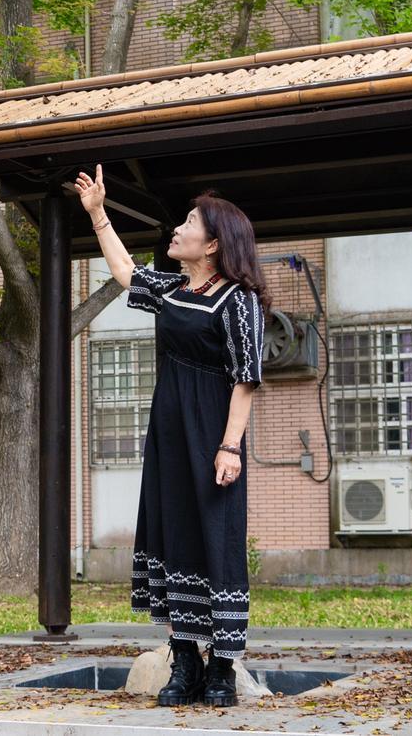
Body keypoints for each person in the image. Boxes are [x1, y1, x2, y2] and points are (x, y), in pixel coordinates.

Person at [75, 166, 264, 708]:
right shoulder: (175, 288)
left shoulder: (237, 300)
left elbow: (246, 377)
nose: (177, 229)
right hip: (169, 433)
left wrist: (230, 446)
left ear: (212, 244)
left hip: (212, 433)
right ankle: (184, 663)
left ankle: (222, 668)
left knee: (217, 538)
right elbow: (124, 272)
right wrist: (97, 213)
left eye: (188, 222)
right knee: (174, 533)